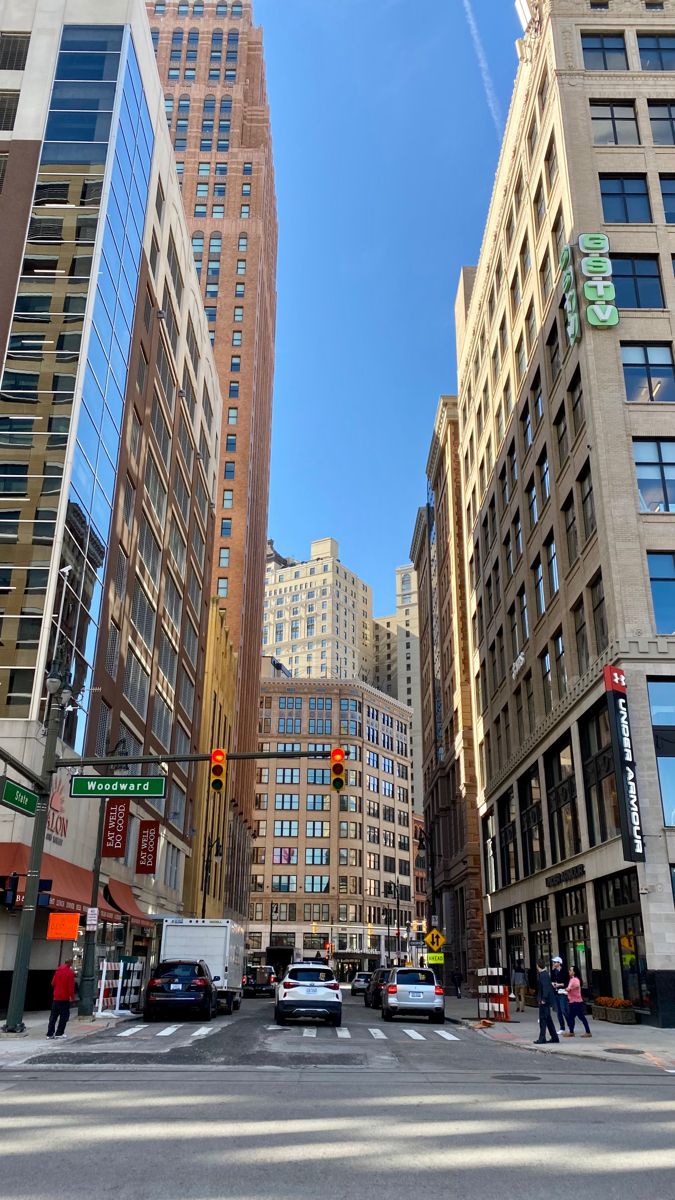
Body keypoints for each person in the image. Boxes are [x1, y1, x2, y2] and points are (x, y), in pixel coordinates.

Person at [47, 957, 76, 1040]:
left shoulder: (58, 971)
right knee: (64, 1016)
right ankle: (59, 1033)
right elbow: (70, 988)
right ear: (71, 963)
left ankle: (50, 1033)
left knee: (53, 1016)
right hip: (64, 998)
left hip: (56, 996)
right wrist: (72, 998)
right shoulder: (70, 973)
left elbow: (53, 983)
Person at [534, 958, 559, 1044]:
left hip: (544, 1000)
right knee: (548, 1019)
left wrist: (543, 999)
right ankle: (555, 1037)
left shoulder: (543, 975)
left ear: (538, 965)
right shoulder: (544, 974)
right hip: (545, 999)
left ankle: (542, 1038)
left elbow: (545, 988)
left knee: (543, 1019)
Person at [564, 966, 592, 1038]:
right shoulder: (571, 979)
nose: (569, 972)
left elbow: (577, 985)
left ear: (574, 972)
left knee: (581, 1017)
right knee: (571, 1017)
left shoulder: (575, 979)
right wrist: (568, 990)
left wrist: (569, 989)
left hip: (576, 1002)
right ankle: (571, 1032)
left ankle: (588, 1032)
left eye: (570, 970)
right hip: (572, 1001)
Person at [551, 955, 571, 1033]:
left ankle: (570, 1025)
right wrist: (553, 984)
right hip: (556, 992)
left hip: (562, 992)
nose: (554, 963)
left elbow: (566, 983)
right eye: (553, 962)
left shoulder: (564, 972)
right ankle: (562, 1027)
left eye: (555, 962)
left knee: (563, 1010)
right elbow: (552, 980)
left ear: (559, 963)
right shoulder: (553, 972)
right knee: (558, 1011)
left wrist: (559, 984)